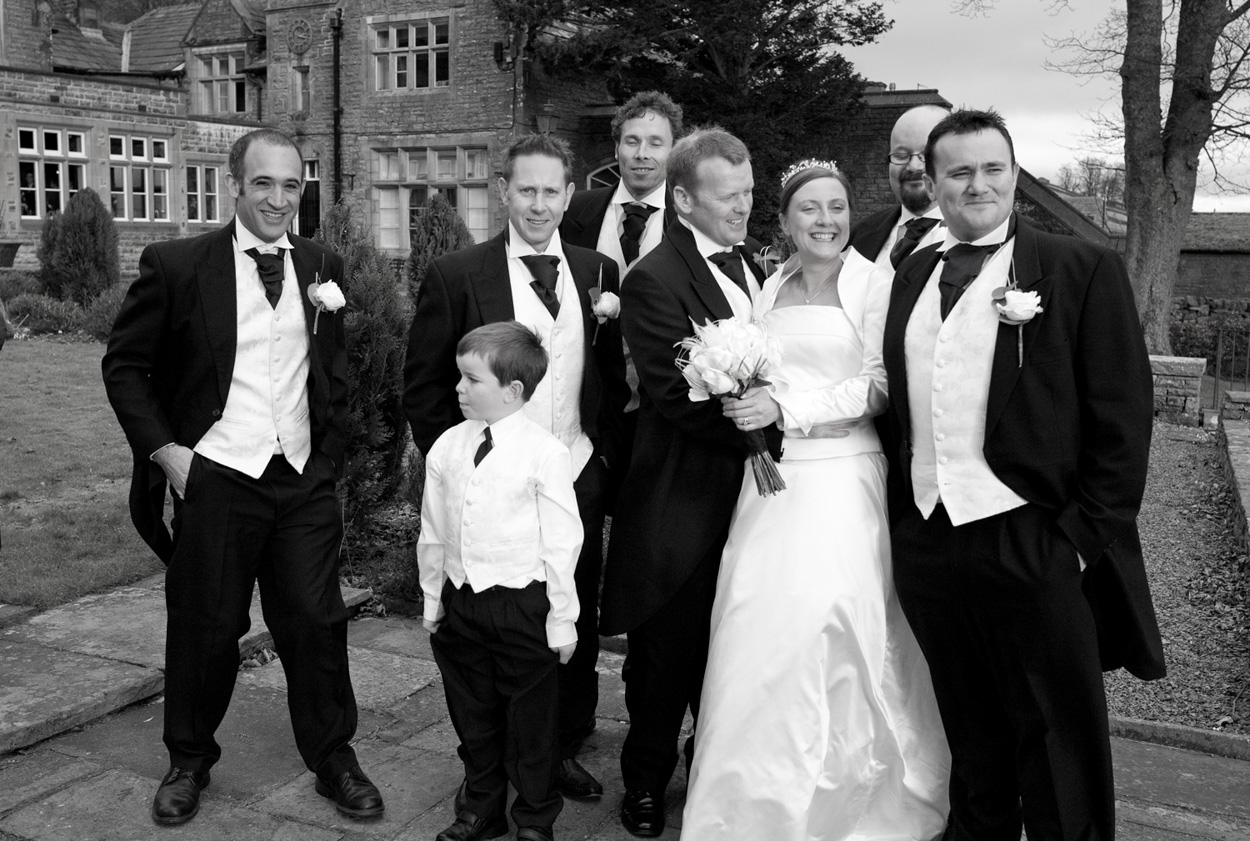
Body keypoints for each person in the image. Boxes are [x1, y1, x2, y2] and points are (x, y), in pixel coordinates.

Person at [881, 109, 1165, 841]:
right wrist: (906, 525)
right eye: (959, 172)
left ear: (1014, 175)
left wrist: (1075, 541)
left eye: (992, 169)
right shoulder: (912, 272)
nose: (977, 184)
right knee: (970, 732)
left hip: (1033, 536)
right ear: (934, 183)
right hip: (931, 539)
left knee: (1057, 737)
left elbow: (1123, 419)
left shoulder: (1079, 268)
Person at [101, 128, 383, 826]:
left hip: (300, 477)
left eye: (292, 185)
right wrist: (168, 453)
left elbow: (331, 374)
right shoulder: (176, 264)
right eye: (264, 183)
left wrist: (328, 458)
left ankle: (334, 757)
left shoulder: (322, 262)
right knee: (207, 622)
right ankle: (189, 759)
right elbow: (125, 367)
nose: (279, 198)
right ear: (236, 184)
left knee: (316, 620)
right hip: (217, 473)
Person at [679, 162, 951, 841]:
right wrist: (737, 389)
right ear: (786, 220)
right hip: (770, 480)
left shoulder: (874, 283)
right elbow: (762, 365)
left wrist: (785, 406)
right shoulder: (771, 283)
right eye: (809, 209)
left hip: (841, 476)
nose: (824, 220)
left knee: (829, 625)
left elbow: (880, 386)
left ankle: (848, 805)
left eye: (836, 206)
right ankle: (748, 807)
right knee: (750, 624)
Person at [404, 133, 628, 803]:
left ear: (568, 194)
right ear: (504, 191)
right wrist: (468, 469)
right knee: (493, 626)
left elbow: (608, 378)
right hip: (492, 489)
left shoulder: (598, 273)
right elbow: (424, 388)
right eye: (525, 189)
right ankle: (490, 757)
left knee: (574, 613)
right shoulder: (456, 274)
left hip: (576, 471)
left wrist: (604, 459)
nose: (538, 204)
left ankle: (559, 747)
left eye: (550, 191)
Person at [599, 127, 777, 838]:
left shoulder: (757, 268)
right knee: (666, 652)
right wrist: (771, 430)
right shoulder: (653, 280)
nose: (744, 207)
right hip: (682, 497)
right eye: (729, 196)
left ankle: (710, 761)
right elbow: (677, 398)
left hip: (750, 505)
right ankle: (643, 780)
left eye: (750, 193)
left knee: (732, 644)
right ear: (683, 197)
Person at [420, 321, 582, 841]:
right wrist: (433, 598)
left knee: (532, 722)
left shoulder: (545, 453)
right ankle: (481, 807)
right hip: (463, 601)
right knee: (473, 713)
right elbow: (434, 527)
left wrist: (562, 619)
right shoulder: (448, 445)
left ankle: (535, 816)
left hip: (522, 605)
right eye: (459, 377)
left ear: (513, 391)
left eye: (472, 380)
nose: (459, 389)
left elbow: (562, 542)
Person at [560, 90, 683, 452]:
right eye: (632, 141)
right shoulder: (572, 214)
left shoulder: (691, 222)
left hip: (664, 405)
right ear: (617, 149)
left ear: (673, 151)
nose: (642, 153)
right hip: (585, 401)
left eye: (655, 143)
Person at [848, 105, 949, 271]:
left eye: (927, 156)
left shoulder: (980, 236)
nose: (914, 166)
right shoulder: (858, 235)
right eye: (901, 156)